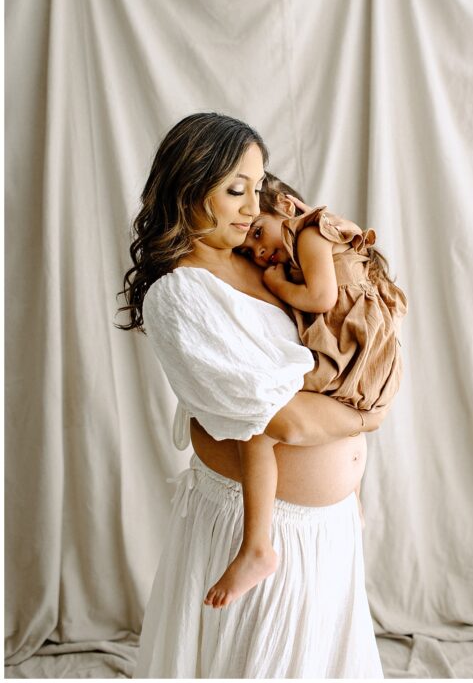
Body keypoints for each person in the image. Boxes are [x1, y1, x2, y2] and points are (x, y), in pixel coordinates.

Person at [117, 112, 384, 677]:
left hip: (325, 528)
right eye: (235, 190)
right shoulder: (180, 294)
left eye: (257, 188)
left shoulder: (257, 260)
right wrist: (365, 417)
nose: (251, 206)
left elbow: (323, 355)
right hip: (258, 528)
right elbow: (283, 421)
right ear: (189, 188)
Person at [202, 172, 407, 608]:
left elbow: (321, 299)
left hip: (355, 357)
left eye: (259, 232)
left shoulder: (312, 230)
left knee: (259, 425)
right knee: (282, 416)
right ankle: (350, 495)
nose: (260, 251)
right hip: (361, 359)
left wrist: (278, 286)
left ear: (289, 207)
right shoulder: (301, 245)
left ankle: (256, 547)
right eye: (252, 252)